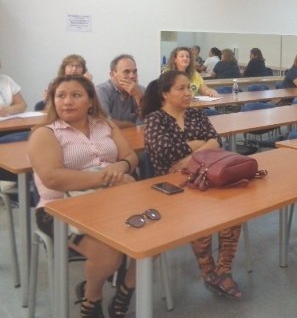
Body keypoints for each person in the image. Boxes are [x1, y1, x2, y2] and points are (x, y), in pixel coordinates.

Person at [28, 75, 138, 318]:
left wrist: (121, 167)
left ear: (90, 101)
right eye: (61, 96)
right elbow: (53, 178)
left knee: (155, 234)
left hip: (111, 202)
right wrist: (106, 177)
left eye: (76, 95)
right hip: (59, 208)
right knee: (108, 254)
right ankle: (92, 298)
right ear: (52, 101)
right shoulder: (44, 134)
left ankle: (125, 290)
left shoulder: (105, 125)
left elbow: (130, 155)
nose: (67, 101)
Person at [141, 70, 243, 299]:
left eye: (189, 87)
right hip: (171, 188)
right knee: (200, 216)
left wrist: (189, 159)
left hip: (204, 178)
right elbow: (165, 152)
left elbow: (217, 142)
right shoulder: (155, 120)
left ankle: (224, 270)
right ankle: (208, 273)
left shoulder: (196, 115)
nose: (188, 93)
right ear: (166, 94)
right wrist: (200, 144)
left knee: (234, 214)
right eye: (181, 88)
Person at [96, 54, 145, 128]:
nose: (132, 76)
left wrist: (138, 97)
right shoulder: (101, 91)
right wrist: (131, 125)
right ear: (112, 75)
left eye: (134, 71)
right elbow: (104, 122)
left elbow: (149, 120)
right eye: (126, 72)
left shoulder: (141, 90)